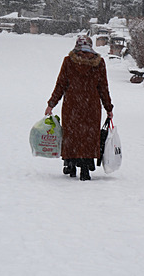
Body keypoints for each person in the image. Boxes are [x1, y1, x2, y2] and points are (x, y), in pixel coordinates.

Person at [45, 35, 114, 181]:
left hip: (72, 106)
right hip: (91, 107)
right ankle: (85, 168)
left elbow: (61, 85)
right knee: (88, 136)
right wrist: (108, 107)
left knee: (72, 136)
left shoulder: (69, 61)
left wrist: (51, 104)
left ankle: (70, 164)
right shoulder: (99, 63)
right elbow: (103, 87)